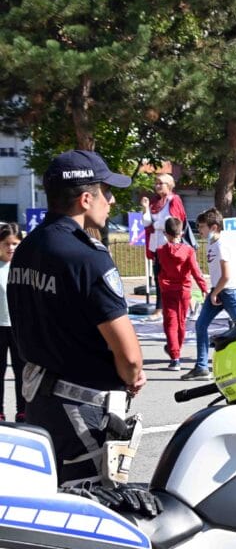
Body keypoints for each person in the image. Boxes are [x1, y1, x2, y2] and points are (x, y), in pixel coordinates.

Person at [8, 150, 145, 484]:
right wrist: (132, 375)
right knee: (95, 506)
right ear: (86, 198)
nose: (111, 201)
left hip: (40, 403)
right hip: (83, 411)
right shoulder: (86, 257)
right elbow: (129, 357)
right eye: (107, 192)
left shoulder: (26, 248)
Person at [185, 208, 236, 380]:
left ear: (214, 227)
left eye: (202, 226)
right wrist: (214, 292)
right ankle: (202, 367)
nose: (199, 230)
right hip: (218, 290)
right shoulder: (212, 244)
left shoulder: (221, 245)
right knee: (201, 325)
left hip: (228, 291)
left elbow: (226, 275)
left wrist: (215, 293)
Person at [156, 217, 208, 371]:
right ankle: (176, 349)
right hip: (184, 290)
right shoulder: (189, 251)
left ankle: (175, 357)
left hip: (167, 290)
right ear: (182, 232)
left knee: (170, 323)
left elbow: (157, 271)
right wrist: (204, 288)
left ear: (165, 233)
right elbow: (196, 272)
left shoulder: (160, 251)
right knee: (181, 322)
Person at [140, 173, 187, 320]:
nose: (157, 186)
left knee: (173, 277)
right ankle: (159, 309)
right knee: (158, 277)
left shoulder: (174, 200)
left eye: (161, 183)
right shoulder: (154, 202)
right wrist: (146, 208)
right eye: (156, 183)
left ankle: (183, 305)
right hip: (157, 245)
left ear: (169, 185)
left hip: (170, 245)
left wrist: (158, 224)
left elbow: (173, 222)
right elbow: (146, 223)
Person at [0, 222, 26, 422]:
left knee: (22, 371)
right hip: (0, 326)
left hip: (18, 326)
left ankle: (22, 410)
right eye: (7, 244)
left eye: (15, 244)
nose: (11, 248)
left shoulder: (24, 267)